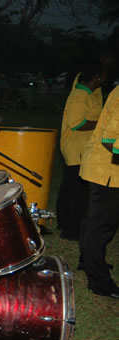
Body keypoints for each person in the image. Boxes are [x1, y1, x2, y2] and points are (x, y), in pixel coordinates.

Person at [56, 62, 106, 240]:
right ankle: (71, 228)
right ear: (97, 77)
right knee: (77, 190)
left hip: (83, 148)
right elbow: (77, 124)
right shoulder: (80, 95)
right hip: (76, 147)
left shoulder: (91, 91)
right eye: (103, 75)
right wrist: (102, 125)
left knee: (71, 187)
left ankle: (65, 222)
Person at [78, 84, 119, 300]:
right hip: (108, 172)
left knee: (93, 222)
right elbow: (110, 140)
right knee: (101, 227)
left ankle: (87, 261)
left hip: (102, 169)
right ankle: (100, 283)